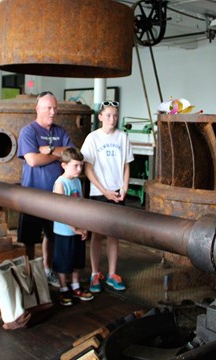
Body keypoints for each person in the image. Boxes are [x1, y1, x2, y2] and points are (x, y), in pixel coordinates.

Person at [17, 91, 75, 288]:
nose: (53, 112)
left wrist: (48, 150)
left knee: (52, 236)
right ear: (37, 109)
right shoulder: (28, 131)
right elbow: (32, 160)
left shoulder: (61, 132)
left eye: (55, 108)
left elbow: (72, 156)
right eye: (48, 108)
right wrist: (58, 154)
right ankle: (29, 273)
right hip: (32, 195)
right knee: (29, 239)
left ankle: (47, 269)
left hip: (56, 196)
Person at [81, 100, 134, 292]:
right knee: (97, 234)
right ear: (100, 117)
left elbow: (127, 165)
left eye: (115, 115)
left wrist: (125, 187)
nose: (112, 119)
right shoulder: (92, 138)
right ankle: (95, 273)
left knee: (114, 235)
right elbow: (87, 168)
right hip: (99, 192)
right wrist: (103, 191)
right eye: (109, 115)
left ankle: (112, 273)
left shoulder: (122, 137)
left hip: (118, 192)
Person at [52, 148, 94, 306]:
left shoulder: (77, 181)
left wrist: (83, 226)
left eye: (81, 166)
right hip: (64, 230)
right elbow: (60, 211)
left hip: (77, 228)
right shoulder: (60, 184)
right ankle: (63, 289)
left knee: (77, 260)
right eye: (75, 165)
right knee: (63, 262)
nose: (79, 169)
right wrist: (74, 228)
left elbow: (81, 206)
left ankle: (75, 287)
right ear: (64, 165)